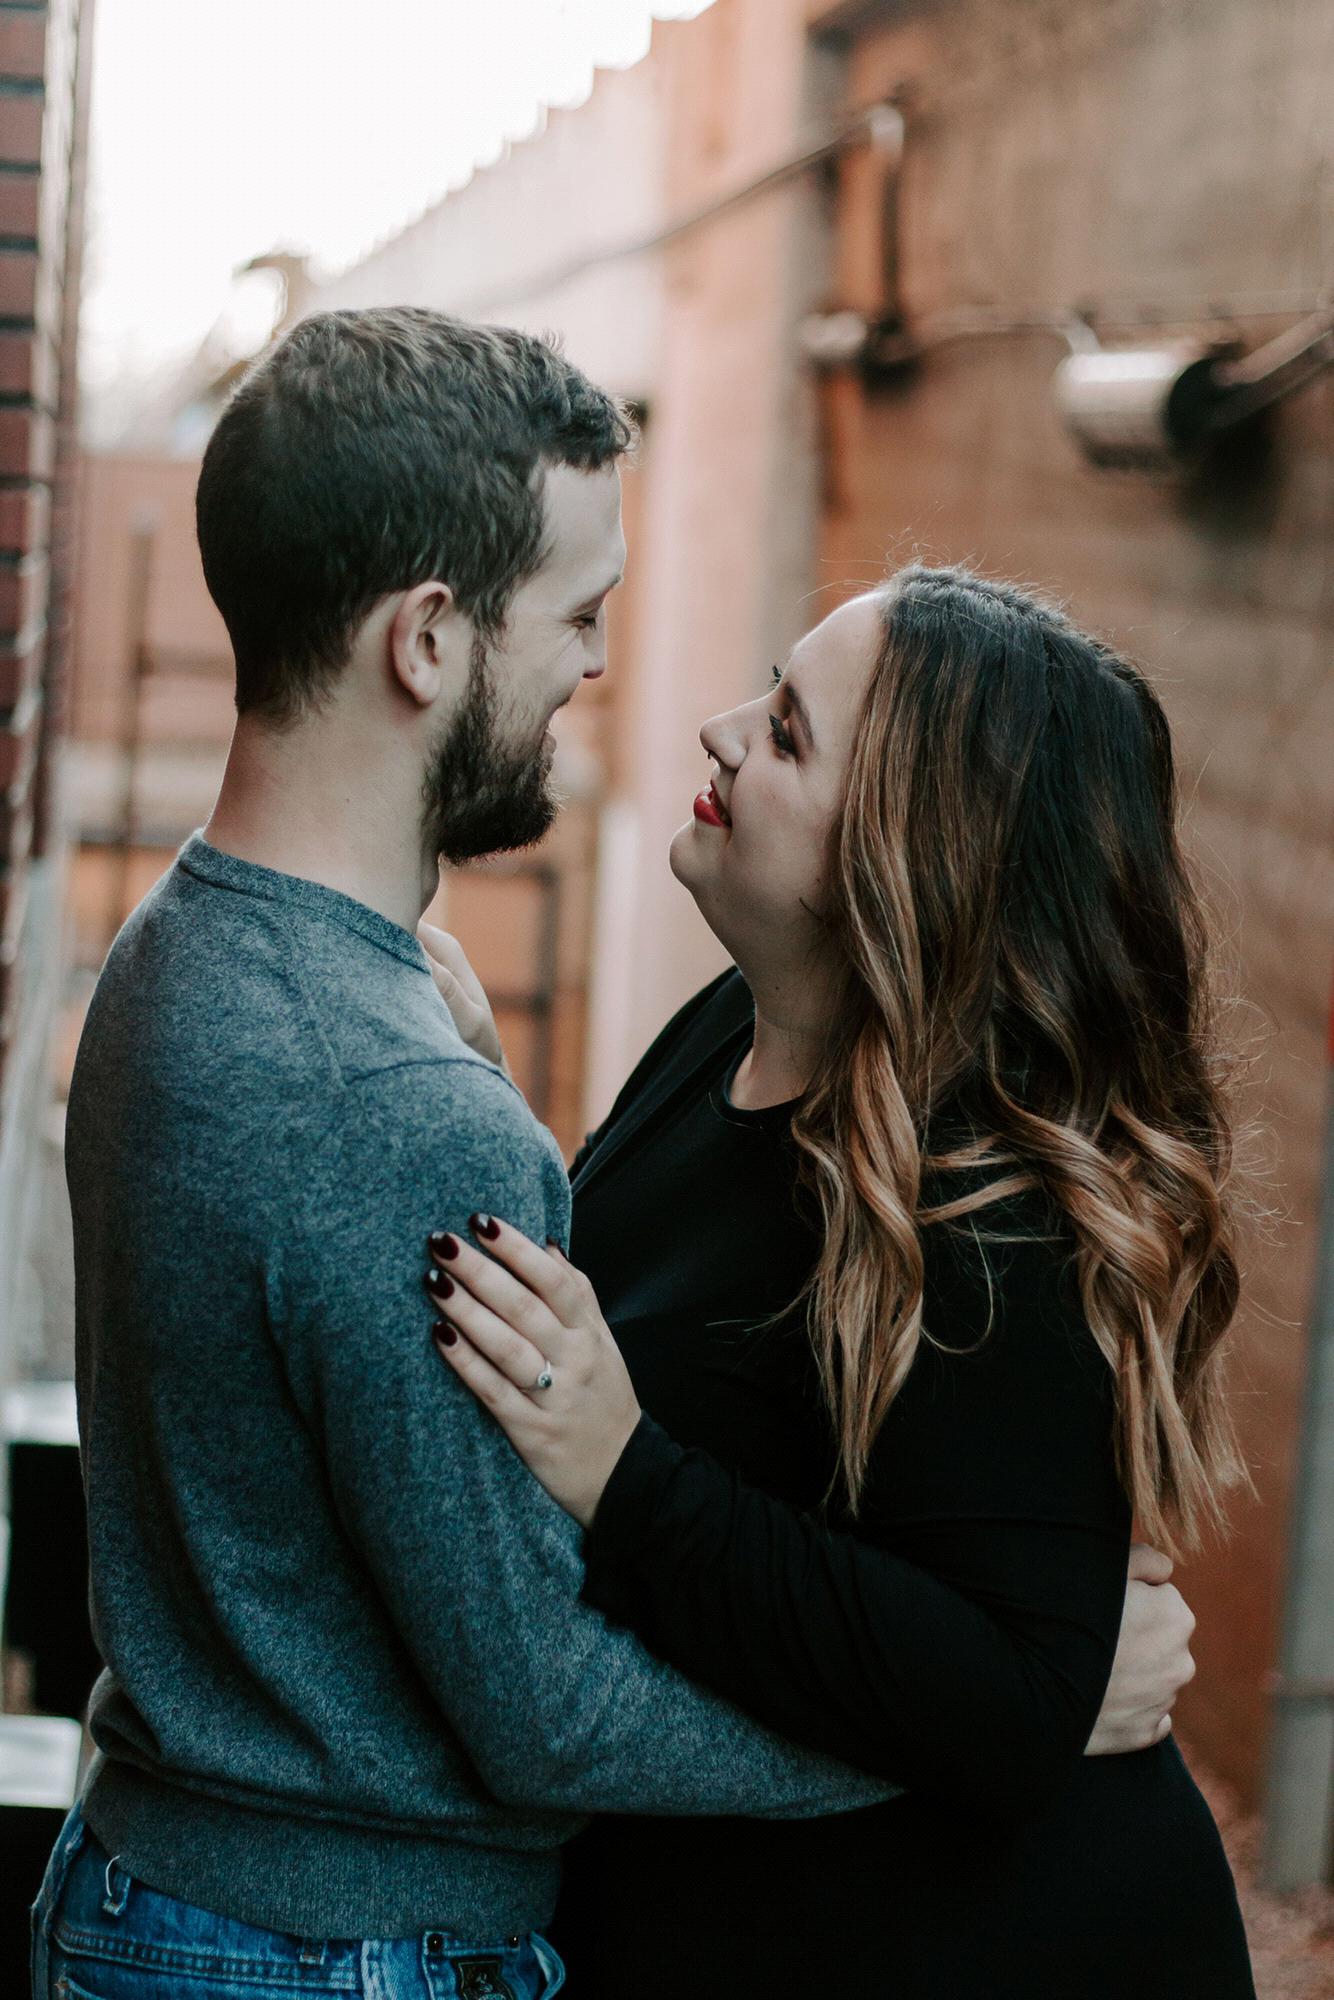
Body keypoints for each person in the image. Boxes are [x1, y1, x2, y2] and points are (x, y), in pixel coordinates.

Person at [35, 308, 1192, 2000]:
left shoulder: (185, 951)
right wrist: (996, 1729)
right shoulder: (428, 1087)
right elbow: (549, 1708)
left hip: (242, 1898)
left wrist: (991, 1703)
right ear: (429, 640)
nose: (618, 677)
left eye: (783, 727)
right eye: (576, 616)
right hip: (326, 1940)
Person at [422, 566, 1258, 1997]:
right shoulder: (733, 1031)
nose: (723, 731)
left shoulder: (990, 1215)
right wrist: (471, 1117)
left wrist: (629, 1478)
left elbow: (1011, 1702)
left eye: (789, 733)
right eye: (769, 693)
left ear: (901, 859)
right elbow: (668, 1345)